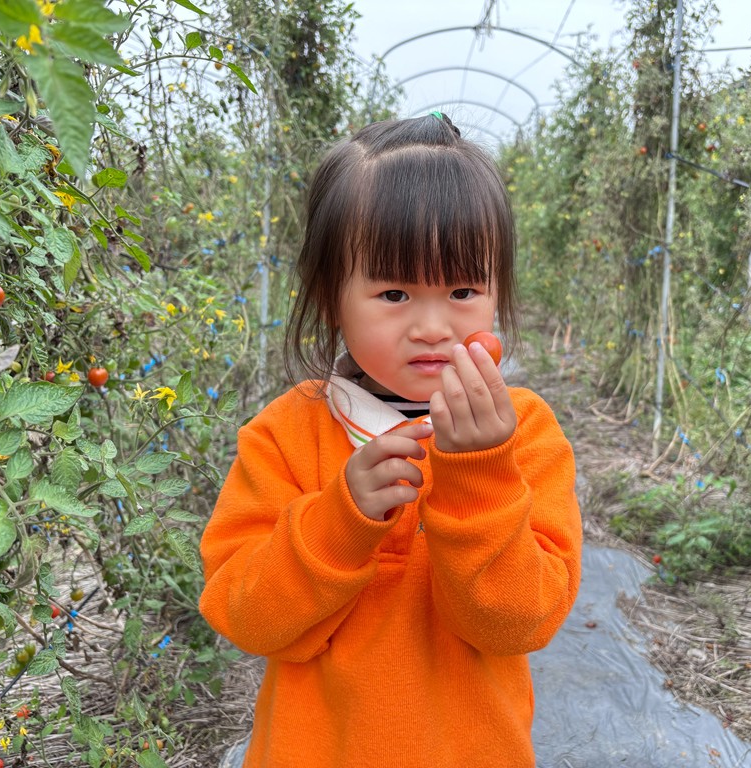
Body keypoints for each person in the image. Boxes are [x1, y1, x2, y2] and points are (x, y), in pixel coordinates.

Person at [198, 113, 582, 768]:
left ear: (497, 292)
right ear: (331, 299)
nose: (432, 326)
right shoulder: (287, 436)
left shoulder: (525, 436)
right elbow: (245, 617)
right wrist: (338, 522)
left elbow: (522, 622)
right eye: (395, 292)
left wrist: (480, 478)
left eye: (463, 289)